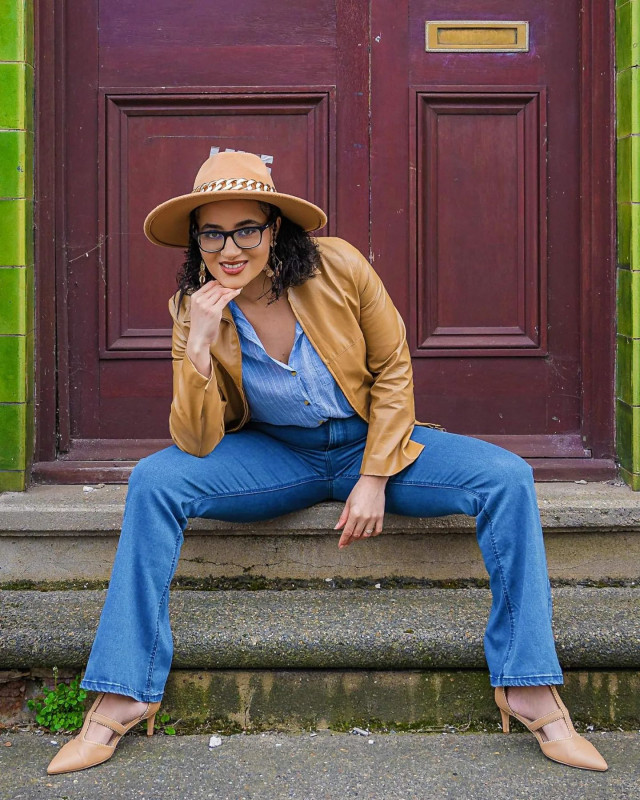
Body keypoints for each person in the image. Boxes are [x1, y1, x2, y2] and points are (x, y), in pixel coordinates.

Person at [47, 151, 607, 774]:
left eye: (246, 230)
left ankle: (530, 688)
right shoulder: (193, 308)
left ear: (274, 229)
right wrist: (200, 345)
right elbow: (196, 440)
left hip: (375, 443)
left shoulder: (338, 265)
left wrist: (372, 477)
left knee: (507, 478)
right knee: (154, 480)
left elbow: (393, 370)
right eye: (211, 233)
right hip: (277, 454)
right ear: (195, 241)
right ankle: (121, 696)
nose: (229, 249)